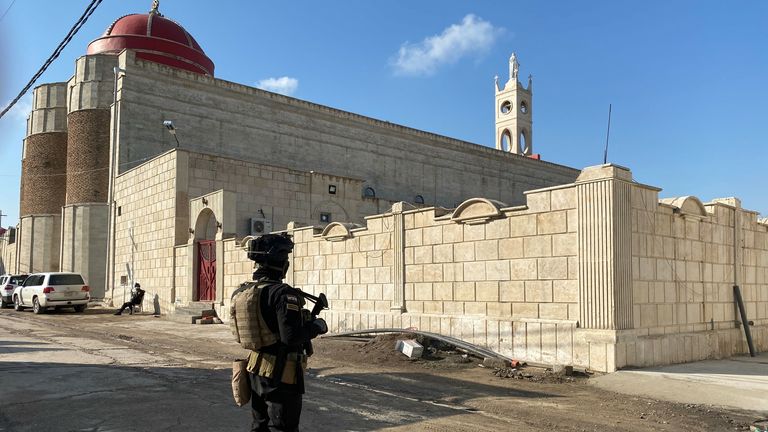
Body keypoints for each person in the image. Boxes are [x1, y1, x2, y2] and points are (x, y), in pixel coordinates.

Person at [244, 233, 327, 431]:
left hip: (255, 369)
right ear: (279, 261)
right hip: (281, 373)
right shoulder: (281, 293)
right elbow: (290, 336)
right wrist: (317, 326)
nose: (287, 263)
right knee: (283, 427)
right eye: (286, 258)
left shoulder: (248, 290)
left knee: (259, 426)